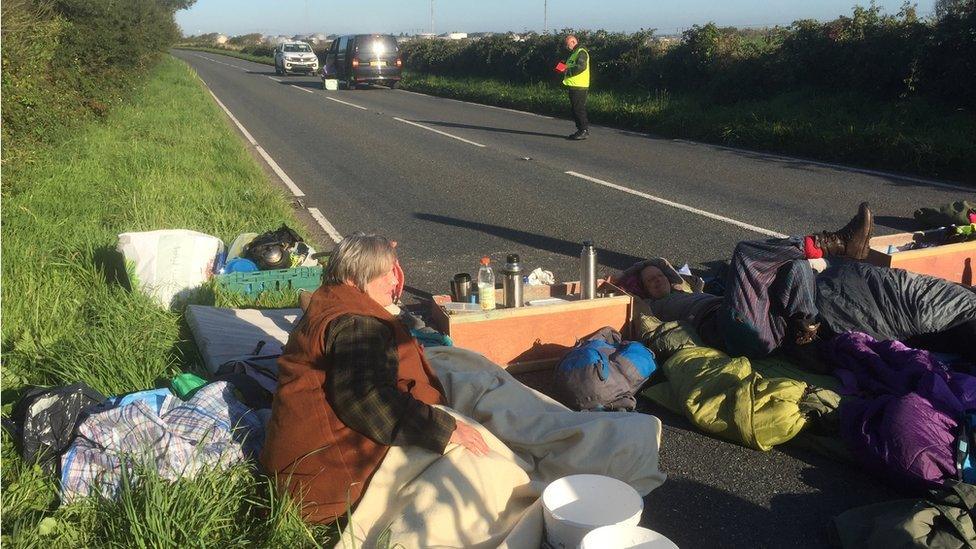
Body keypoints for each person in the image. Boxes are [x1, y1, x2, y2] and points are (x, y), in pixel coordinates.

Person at [260, 233, 488, 524]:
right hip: (325, 491)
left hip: (297, 472)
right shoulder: (358, 325)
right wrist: (442, 430)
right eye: (385, 274)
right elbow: (364, 398)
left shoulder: (329, 301)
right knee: (474, 465)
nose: (394, 283)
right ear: (356, 279)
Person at [616, 202, 976, 361]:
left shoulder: (691, 287)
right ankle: (833, 244)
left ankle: (808, 324)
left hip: (767, 320)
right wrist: (623, 282)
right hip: (732, 333)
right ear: (642, 291)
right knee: (746, 252)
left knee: (794, 264)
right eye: (650, 282)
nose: (657, 283)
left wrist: (670, 272)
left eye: (659, 277)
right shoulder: (652, 308)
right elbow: (621, 293)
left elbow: (667, 268)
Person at [560, 34, 590, 140]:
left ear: (573, 42)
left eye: (567, 45)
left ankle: (583, 130)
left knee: (578, 109)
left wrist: (566, 71)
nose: (567, 47)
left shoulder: (581, 52)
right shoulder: (574, 53)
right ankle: (581, 130)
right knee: (575, 109)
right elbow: (570, 64)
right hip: (574, 85)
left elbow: (581, 67)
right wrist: (561, 66)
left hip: (580, 86)